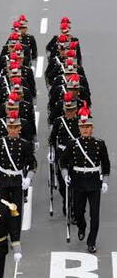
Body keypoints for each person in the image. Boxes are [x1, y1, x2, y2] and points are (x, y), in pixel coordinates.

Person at [60, 104, 111, 253]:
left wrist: (105, 181)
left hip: (94, 182)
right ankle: (82, 226)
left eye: (88, 127)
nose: (86, 130)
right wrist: (65, 175)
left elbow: (106, 164)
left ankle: (91, 241)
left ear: (92, 128)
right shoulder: (73, 145)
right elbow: (63, 161)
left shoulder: (99, 144)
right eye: (83, 127)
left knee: (95, 214)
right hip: (78, 181)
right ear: (79, 129)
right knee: (78, 211)